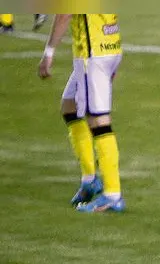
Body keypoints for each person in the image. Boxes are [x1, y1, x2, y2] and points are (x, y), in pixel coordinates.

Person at [37, 14, 125, 213]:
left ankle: (112, 194)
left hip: (93, 53)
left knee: (98, 120)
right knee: (70, 106)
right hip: (109, 45)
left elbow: (65, 13)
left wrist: (49, 52)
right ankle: (90, 180)